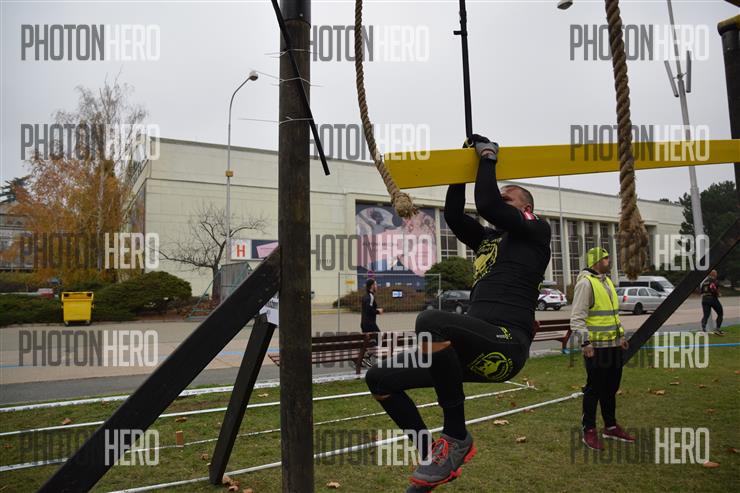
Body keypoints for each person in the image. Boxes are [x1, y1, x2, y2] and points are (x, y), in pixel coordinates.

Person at [365, 134, 551, 490]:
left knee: (430, 321)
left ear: (526, 208)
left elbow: (489, 205)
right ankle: (433, 456)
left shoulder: (536, 230)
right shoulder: (488, 240)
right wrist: (460, 170)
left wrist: (487, 158)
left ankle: (455, 435)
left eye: (509, 198)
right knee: (379, 379)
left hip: (506, 345)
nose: (500, 199)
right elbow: (453, 214)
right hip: (470, 347)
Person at [570, 247, 635, 450]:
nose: (609, 261)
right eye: (605, 258)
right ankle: (588, 430)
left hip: (614, 346)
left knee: (610, 389)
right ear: (596, 261)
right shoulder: (585, 283)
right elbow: (577, 318)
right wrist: (585, 343)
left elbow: (612, 315)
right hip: (596, 349)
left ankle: (611, 427)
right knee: (594, 390)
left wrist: (621, 337)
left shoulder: (606, 282)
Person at [700, 270, 724, 335]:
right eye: (716, 273)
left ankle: (704, 329)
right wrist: (718, 294)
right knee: (720, 313)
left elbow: (701, 291)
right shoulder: (713, 281)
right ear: (714, 274)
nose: (716, 275)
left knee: (706, 315)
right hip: (712, 299)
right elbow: (713, 288)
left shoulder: (704, 282)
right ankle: (717, 329)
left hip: (704, 299)